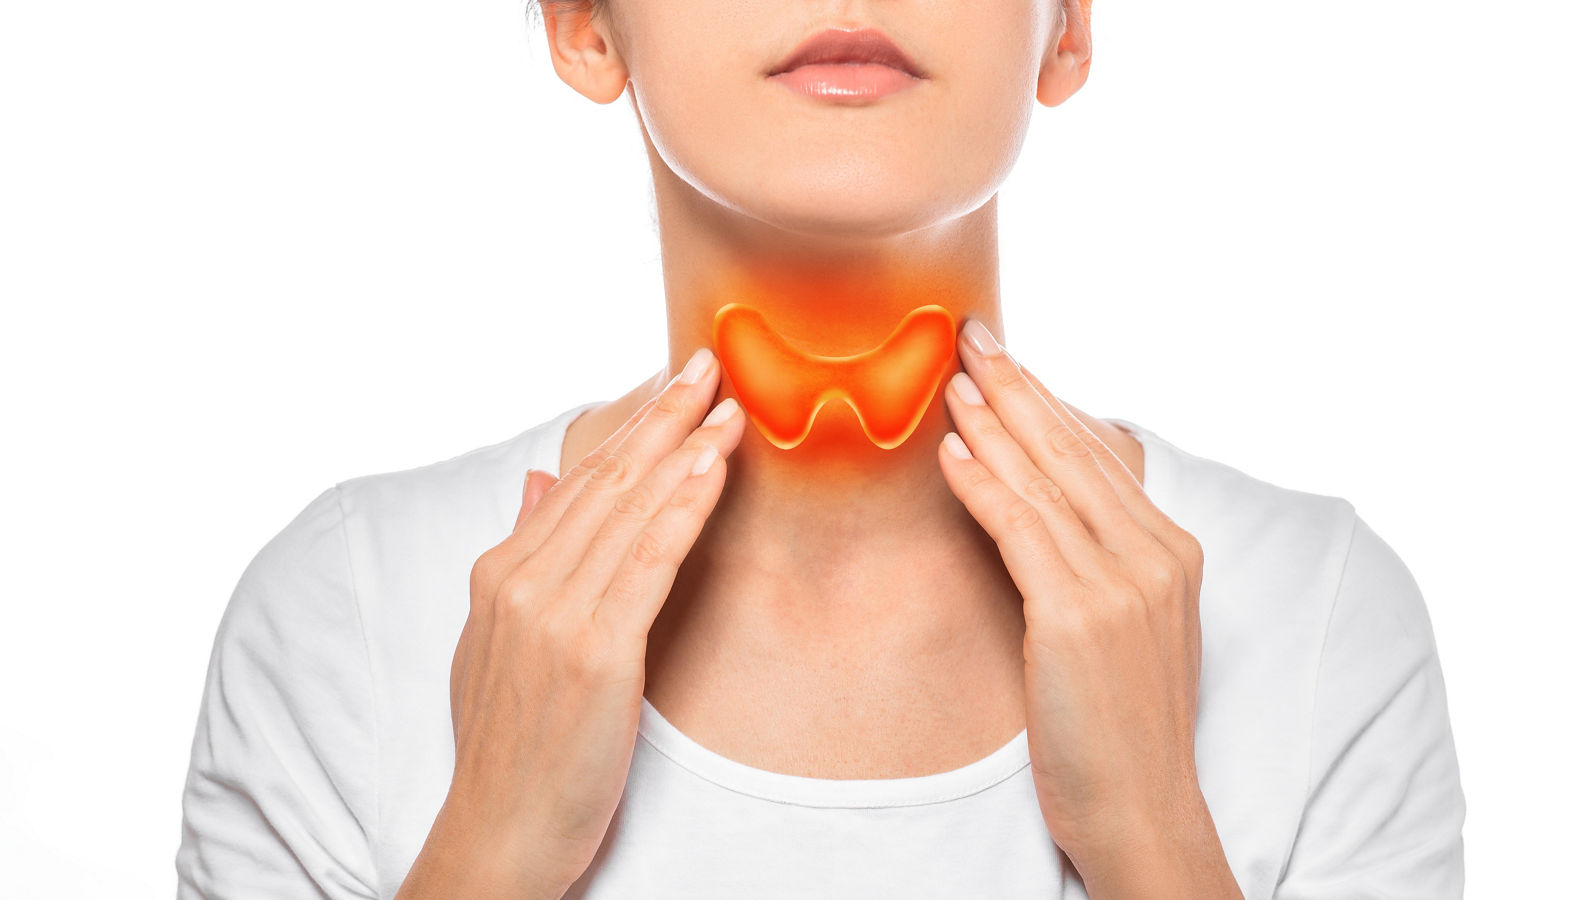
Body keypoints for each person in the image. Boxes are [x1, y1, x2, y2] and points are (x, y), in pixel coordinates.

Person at [174, 1, 1467, 897]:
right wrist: (487, 858)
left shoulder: (1322, 627)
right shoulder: (336, 622)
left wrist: (1156, 845)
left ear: (1066, 27)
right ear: (585, 24)